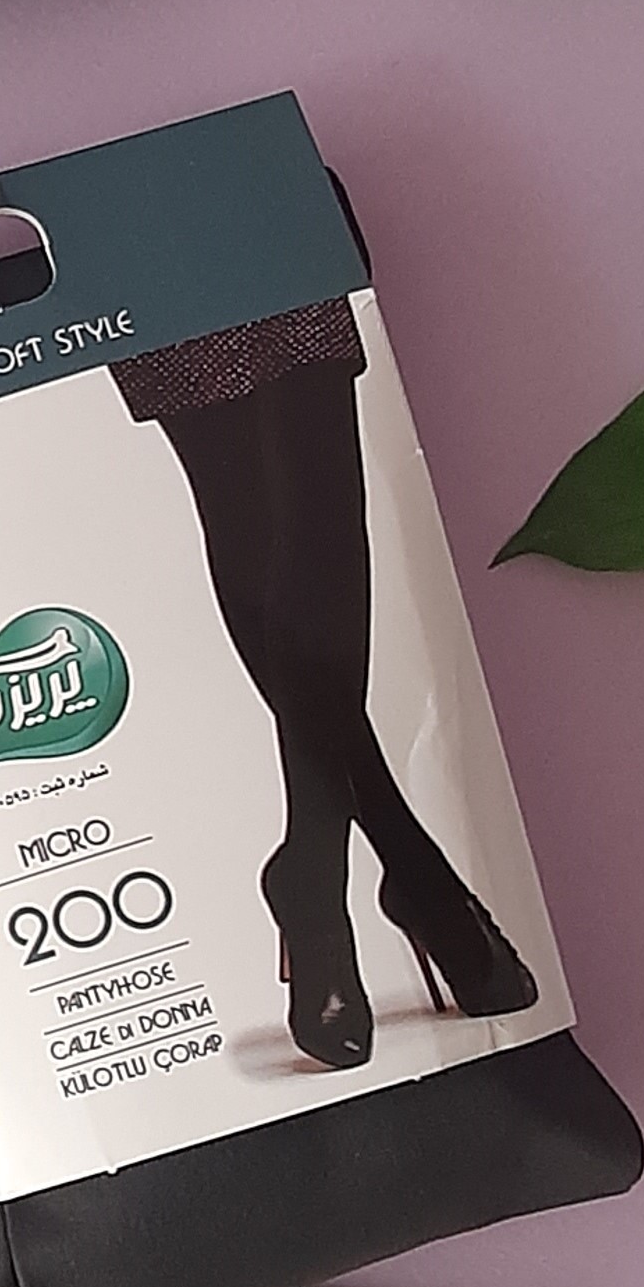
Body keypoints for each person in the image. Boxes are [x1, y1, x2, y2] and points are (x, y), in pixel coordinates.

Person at [110, 309, 539, 1069]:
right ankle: (409, 874)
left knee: (322, 492)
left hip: (260, 231)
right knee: (236, 495)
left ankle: (314, 867)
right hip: (133, 248)